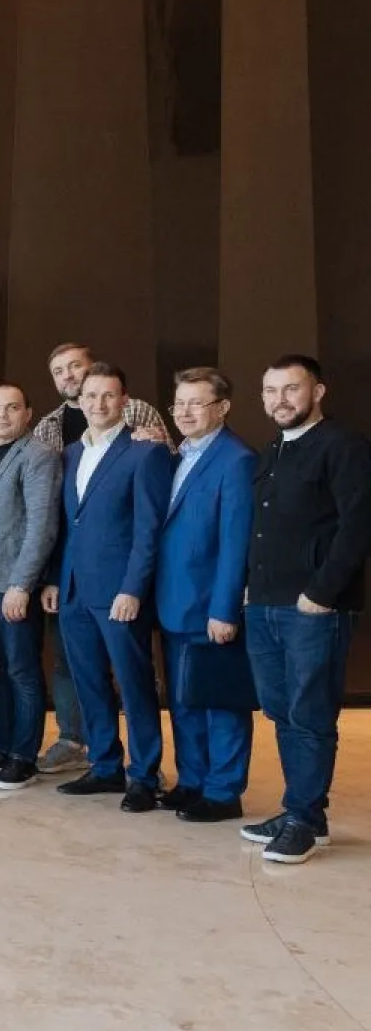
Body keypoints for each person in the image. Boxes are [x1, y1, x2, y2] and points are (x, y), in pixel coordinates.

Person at [241, 355, 371, 863]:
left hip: (314, 609)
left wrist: (321, 593)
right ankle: (302, 814)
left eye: (291, 389)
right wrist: (251, 588)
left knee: (310, 714)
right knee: (282, 711)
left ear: (317, 391)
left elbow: (357, 527)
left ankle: (304, 817)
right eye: (270, 391)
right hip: (264, 604)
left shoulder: (343, 446)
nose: (280, 400)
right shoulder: (274, 448)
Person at [31, 341, 171, 774]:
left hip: (119, 593)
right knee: (88, 683)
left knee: (134, 685)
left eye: (108, 395)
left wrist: (133, 589)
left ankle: (144, 773)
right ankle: (105, 766)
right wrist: (56, 578)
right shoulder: (71, 454)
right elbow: (67, 524)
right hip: (74, 592)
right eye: (91, 396)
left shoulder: (145, 452)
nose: (98, 403)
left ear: (124, 400)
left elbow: (149, 530)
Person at [153, 367, 255, 823]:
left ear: (223, 407)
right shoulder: (180, 455)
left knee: (221, 702)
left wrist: (225, 609)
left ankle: (223, 792)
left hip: (211, 606)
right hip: (175, 603)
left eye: (197, 402)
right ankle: (192, 781)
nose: (185, 412)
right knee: (184, 701)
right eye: (179, 403)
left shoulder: (236, 460)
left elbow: (236, 543)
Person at [0, 384, 61, 791]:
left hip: (13, 585)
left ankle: (23, 755)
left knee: (22, 670)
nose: (2, 415)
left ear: (28, 413)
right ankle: (2, 746)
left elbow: (41, 525)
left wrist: (23, 584)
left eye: (12, 408)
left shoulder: (39, 455)